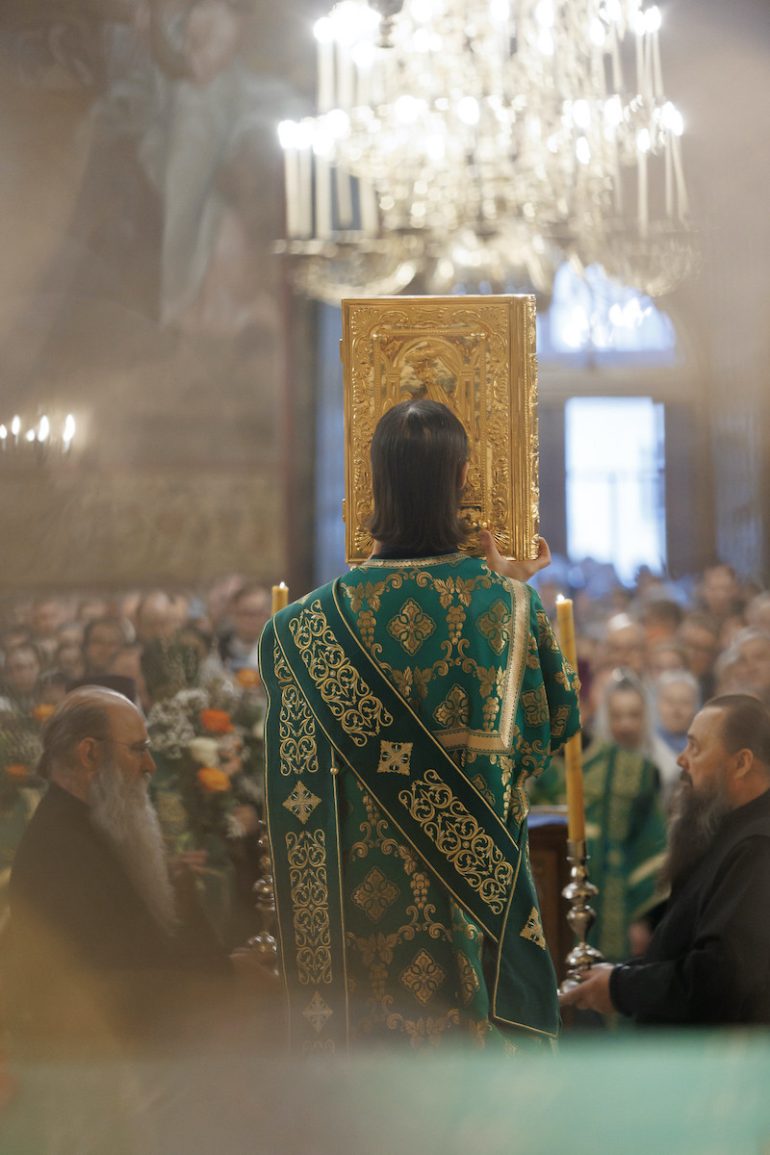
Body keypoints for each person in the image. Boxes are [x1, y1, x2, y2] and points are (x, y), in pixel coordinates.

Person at [259, 400, 580, 1051]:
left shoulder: (299, 630)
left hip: (356, 948)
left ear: (372, 484)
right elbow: (557, 724)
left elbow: (295, 798)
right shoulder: (508, 609)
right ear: (463, 478)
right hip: (476, 926)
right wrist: (513, 590)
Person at [5, 687, 227, 1053]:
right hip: (98, 1066)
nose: (150, 765)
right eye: (138, 749)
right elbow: (108, 985)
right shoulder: (62, 850)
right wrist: (225, 983)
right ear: (90, 753)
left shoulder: (92, 825)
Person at [560, 694, 770, 1025]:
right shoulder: (725, 830)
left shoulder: (758, 847)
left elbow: (718, 978)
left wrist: (620, 987)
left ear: (741, 763)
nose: (681, 760)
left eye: (695, 747)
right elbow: (684, 950)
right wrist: (621, 975)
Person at [532, 669, 668, 960]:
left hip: (613, 908)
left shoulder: (633, 769)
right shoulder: (528, 770)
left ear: (587, 705)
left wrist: (643, 920)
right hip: (543, 906)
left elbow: (649, 846)